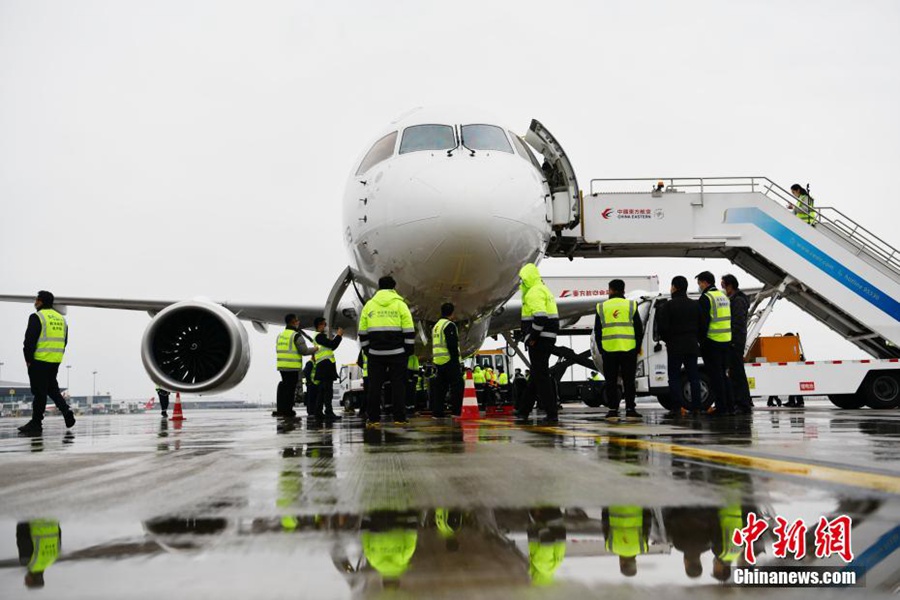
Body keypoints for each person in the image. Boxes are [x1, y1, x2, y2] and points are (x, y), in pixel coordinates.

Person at [358, 276, 415, 427]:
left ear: (379, 286)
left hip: (376, 354)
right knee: (398, 386)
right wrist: (407, 351)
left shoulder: (369, 306)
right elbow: (409, 330)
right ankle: (399, 418)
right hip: (397, 353)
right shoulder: (400, 305)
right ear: (394, 287)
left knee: (374, 387)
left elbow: (362, 332)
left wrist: (367, 350)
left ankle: (374, 419)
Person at [18, 291, 75, 435]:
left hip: (39, 360)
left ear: (41, 301)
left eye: (37, 299)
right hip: (54, 360)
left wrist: (28, 360)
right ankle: (67, 412)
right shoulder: (62, 320)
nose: (35, 302)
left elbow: (29, 341)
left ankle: (36, 423)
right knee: (52, 390)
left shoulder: (37, 317)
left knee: (39, 393)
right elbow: (65, 341)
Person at [516, 263, 560, 423]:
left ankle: (551, 413)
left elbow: (540, 317)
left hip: (539, 340)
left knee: (541, 377)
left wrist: (532, 337)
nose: (521, 282)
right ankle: (523, 410)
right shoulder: (544, 290)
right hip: (547, 338)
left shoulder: (533, 293)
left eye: (522, 279)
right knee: (535, 376)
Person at [595, 279, 644, 420]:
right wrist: (636, 348)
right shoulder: (631, 305)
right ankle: (630, 409)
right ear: (623, 290)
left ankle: (612, 409)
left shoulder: (602, 307)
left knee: (611, 381)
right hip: (628, 349)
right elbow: (638, 330)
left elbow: (598, 331)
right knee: (629, 381)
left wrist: (602, 349)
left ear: (610, 290)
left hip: (609, 350)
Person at [657, 276, 704, 415]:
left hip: (674, 346)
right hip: (691, 345)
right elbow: (702, 326)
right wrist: (696, 339)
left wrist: (668, 340)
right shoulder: (695, 305)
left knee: (674, 377)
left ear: (674, 287)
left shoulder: (668, 306)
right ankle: (697, 407)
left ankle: (676, 408)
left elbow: (662, 328)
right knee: (694, 377)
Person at [696, 272, 735, 415]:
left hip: (712, 341)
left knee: (715, 377)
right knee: (724, 376)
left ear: (705, 283)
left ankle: (721, 407)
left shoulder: (706, 298)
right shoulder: (723, 296)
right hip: (726, 340)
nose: (699, 286)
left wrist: (701, 341)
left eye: (699, 283)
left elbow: (703, 323)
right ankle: (730, 406)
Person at [275, 313, 317, 419]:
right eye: (297, 321)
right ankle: (288, 410)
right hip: (292, 366)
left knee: (284, 387)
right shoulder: (296, 336)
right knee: (290, 389)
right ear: (293, 322)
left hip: (281, 365)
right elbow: (304, 351)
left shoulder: (280, 335)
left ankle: (281, 409)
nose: (299, 322)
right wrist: (316, 349)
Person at [721, 274, 753, 414]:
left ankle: (743, 404)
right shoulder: (735, 300)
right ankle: (741, 402)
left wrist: (733, 341)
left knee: (738, 374)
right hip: (736, 341)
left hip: (736, 341)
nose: (723, 289)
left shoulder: (738, 301)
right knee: (735, 373)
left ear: (730, 285)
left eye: (723, 285)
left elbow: (738, 324)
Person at [431, 302, 463, 418]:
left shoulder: (436, 326)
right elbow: (452, 345)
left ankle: (437, 412)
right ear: (452, 313)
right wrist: (456, 360)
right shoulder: (449, 325)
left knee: (440, 388)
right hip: (449, 360)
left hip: (438, 361)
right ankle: (456, 411)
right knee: (457, 386)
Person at [313, 317, 343, 422]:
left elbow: (330, 346)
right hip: (325, 367)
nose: (325, 326)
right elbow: (332, 345)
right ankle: (328, 412)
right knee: (327, 391)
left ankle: (318, 412)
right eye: (323, 324)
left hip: (324, 366)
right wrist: (339, 335)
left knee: (322, 391)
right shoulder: (319, 337)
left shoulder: (320, 337)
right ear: (319, 325)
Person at [17, 519, 61, 589]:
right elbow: (22, 536)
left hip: (52, 517)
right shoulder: (27, 562)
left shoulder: (53, 558)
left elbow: (59, 534)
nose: (24, 582)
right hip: (34, 518)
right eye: (27, 583)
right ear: (32, 580)